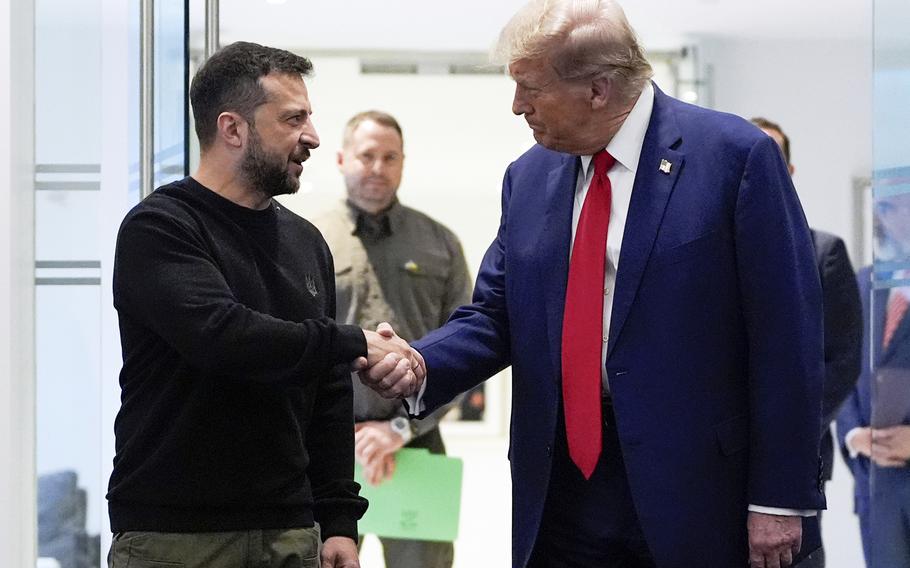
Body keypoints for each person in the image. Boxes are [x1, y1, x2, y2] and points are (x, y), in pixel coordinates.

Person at [361, 1, 827, 566]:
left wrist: (779, 498)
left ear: (598, 90)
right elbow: (495, 315)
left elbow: (787, 337)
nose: (517, 108)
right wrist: (420, 362)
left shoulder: (733, 158)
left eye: (530, 88)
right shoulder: (529, 177)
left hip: (697, 492)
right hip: (561, 489)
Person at [106, 42, 421, 568]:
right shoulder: (160, 228)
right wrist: (351, 341)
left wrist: (339, 520)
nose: (313, 138)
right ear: (233, 129)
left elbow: (326, 391)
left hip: (291, 533)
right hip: (176, 537)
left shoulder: (306, 241)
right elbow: (223, 336)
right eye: (293, 119)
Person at [315, 110, 472, 568]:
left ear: (403, 162)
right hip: (331, 453)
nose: (378, 168)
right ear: (342, 158)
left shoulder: (440, 244)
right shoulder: (309, 240)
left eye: (390, 157)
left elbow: (463, 350)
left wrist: (399, 430)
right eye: (366, 156)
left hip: (418, 446)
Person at [751, 117, 863, 566]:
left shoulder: (823, 252)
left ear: (789, 170)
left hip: (797, 460)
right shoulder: (709, 252)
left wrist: (786, 434)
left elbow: (843, 361)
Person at [837, 190, 910, 567]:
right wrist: (852, 434)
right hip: (874, 485)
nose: (899, 215)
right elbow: (841, 367)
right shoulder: (863, 284)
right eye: (888, 206)